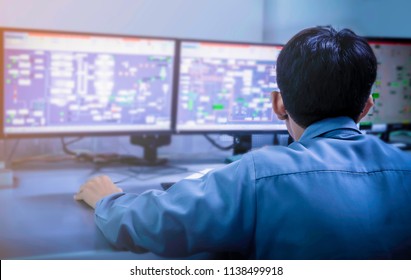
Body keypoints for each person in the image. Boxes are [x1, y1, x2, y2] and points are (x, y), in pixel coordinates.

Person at [74, 26, 411, 259]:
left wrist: (108, 201)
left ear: (278, 105)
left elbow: (156, 225)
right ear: (367, 107)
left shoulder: (262, 174)